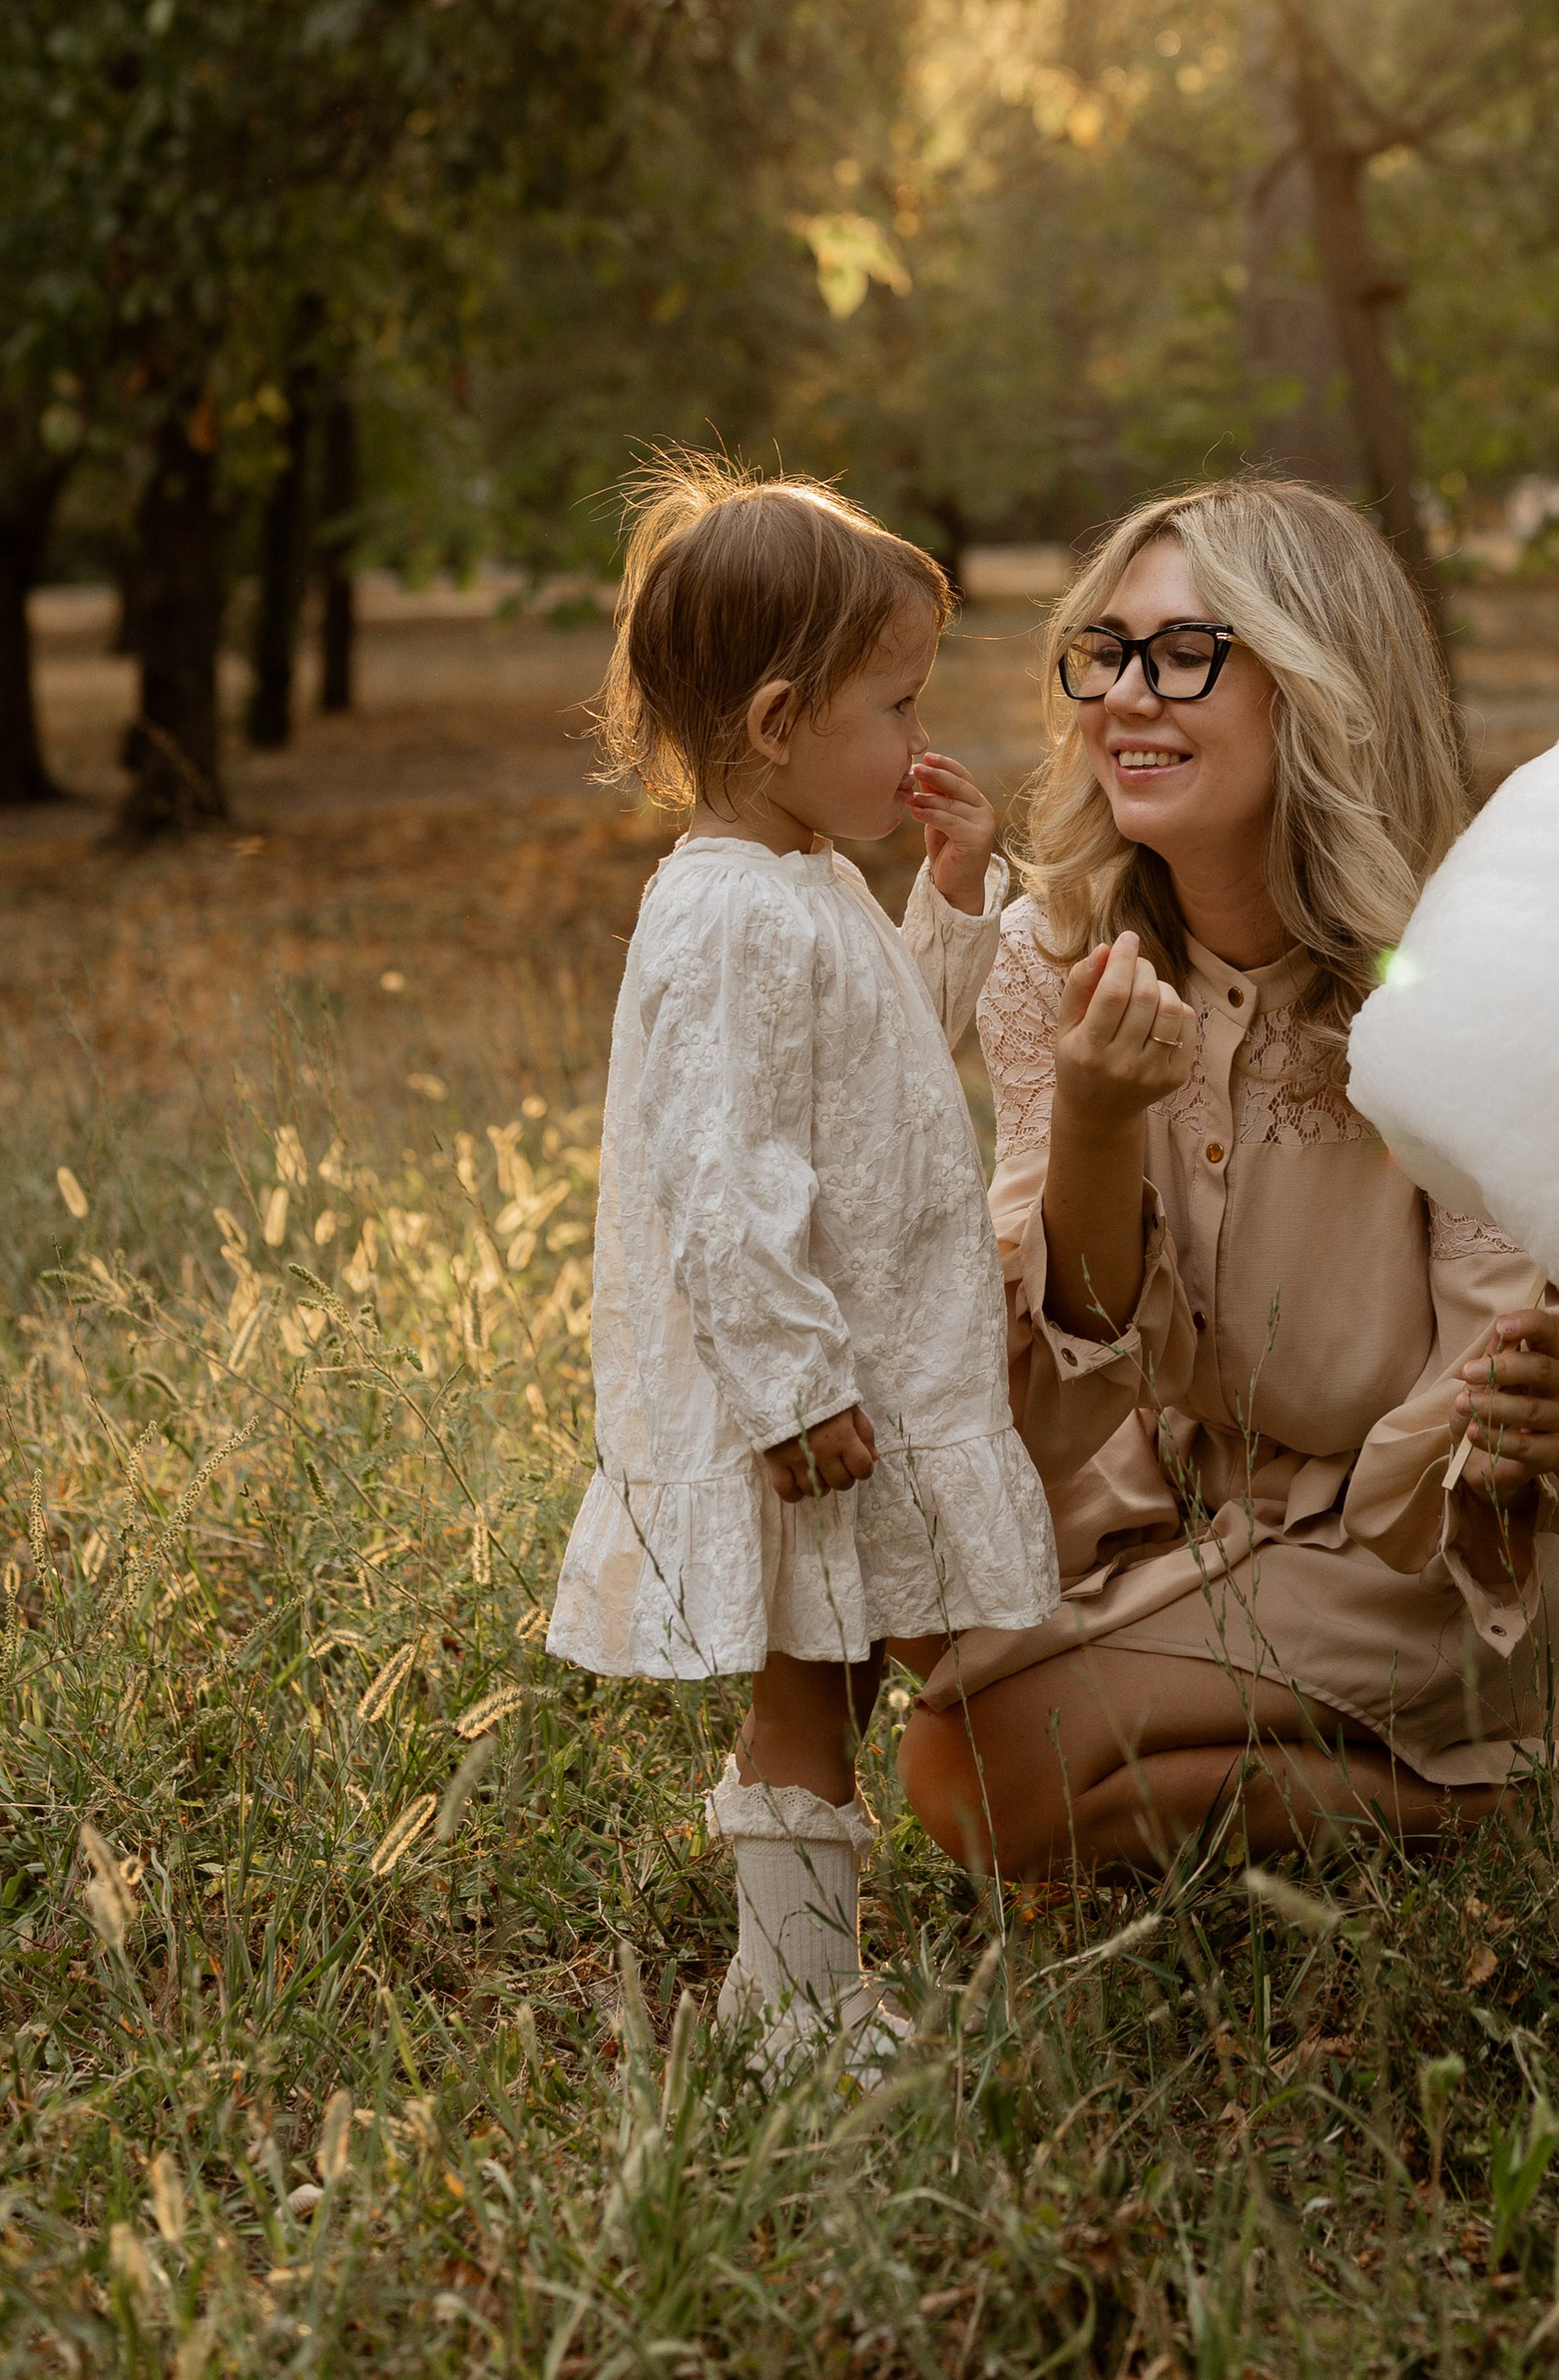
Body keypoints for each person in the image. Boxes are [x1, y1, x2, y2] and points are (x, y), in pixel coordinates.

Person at [898, 477, 1559, 1883]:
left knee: (965, 1773)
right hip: (1169, 1492)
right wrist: (1097, 1121)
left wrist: (1528, 1397)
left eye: (1187, 654)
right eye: (1103, 652)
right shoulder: (1048, 958)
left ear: (1317, 685)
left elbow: (1502, 1364)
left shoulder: (1469, 988)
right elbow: (1047, 1392)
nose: (1126, 696)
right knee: (901, 1590)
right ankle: (1364, 1783)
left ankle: (1510, 1794)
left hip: (1407, 1547)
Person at [546, 455, 1057, 2070]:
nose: (921, 739)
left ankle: (800, 1987)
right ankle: (793, 1996)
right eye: (897, 705)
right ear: (780, 725)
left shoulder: (810, 885)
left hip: (861, 1361)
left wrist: (953, 901)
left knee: (830, 1677)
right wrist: (789, 1387)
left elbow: (883, 1057)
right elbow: (718, 1174)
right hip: (813, 1392)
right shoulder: (722, 919)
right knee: (809, 1680)